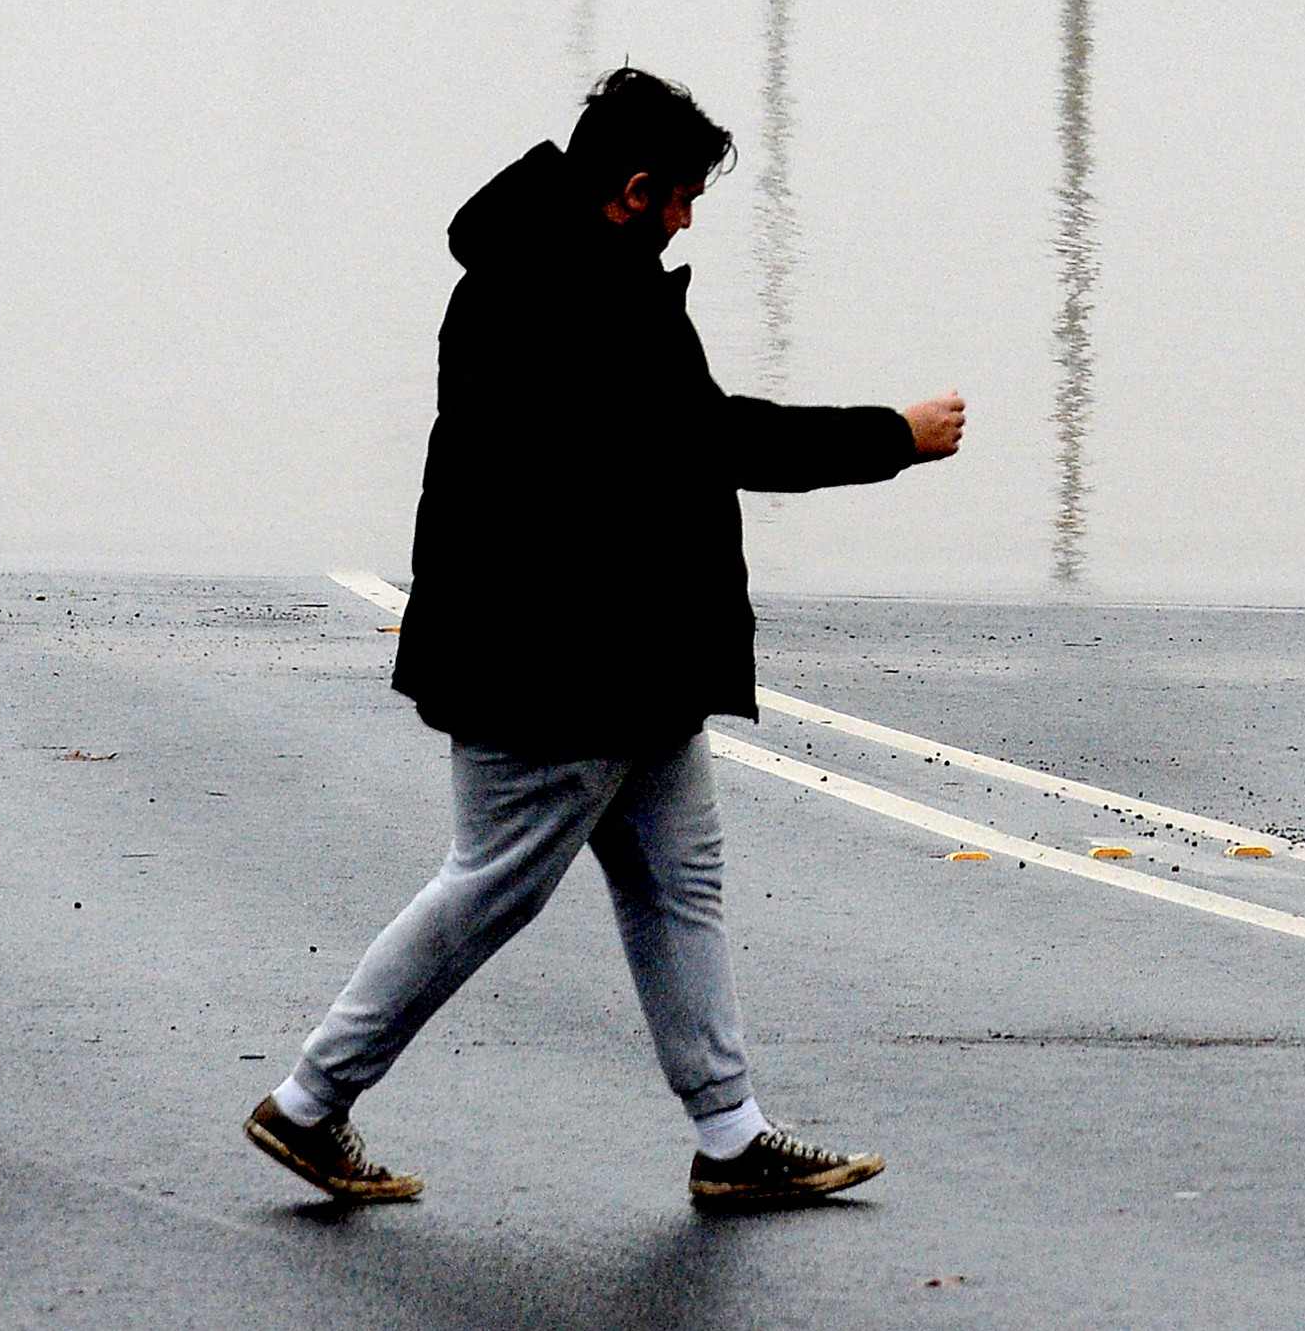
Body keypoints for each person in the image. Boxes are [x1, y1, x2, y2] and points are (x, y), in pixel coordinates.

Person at [242, 66, 968, 1216]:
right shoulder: (575, 294)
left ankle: (730, 1137)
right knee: (491, 888)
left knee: (678, 883)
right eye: (681, 195)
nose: (688, 217)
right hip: (554, 664)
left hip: (620, 661)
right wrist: (897, 434)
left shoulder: (551, 264)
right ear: (630, 190)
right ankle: (309, 1100)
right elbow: (710, 439)